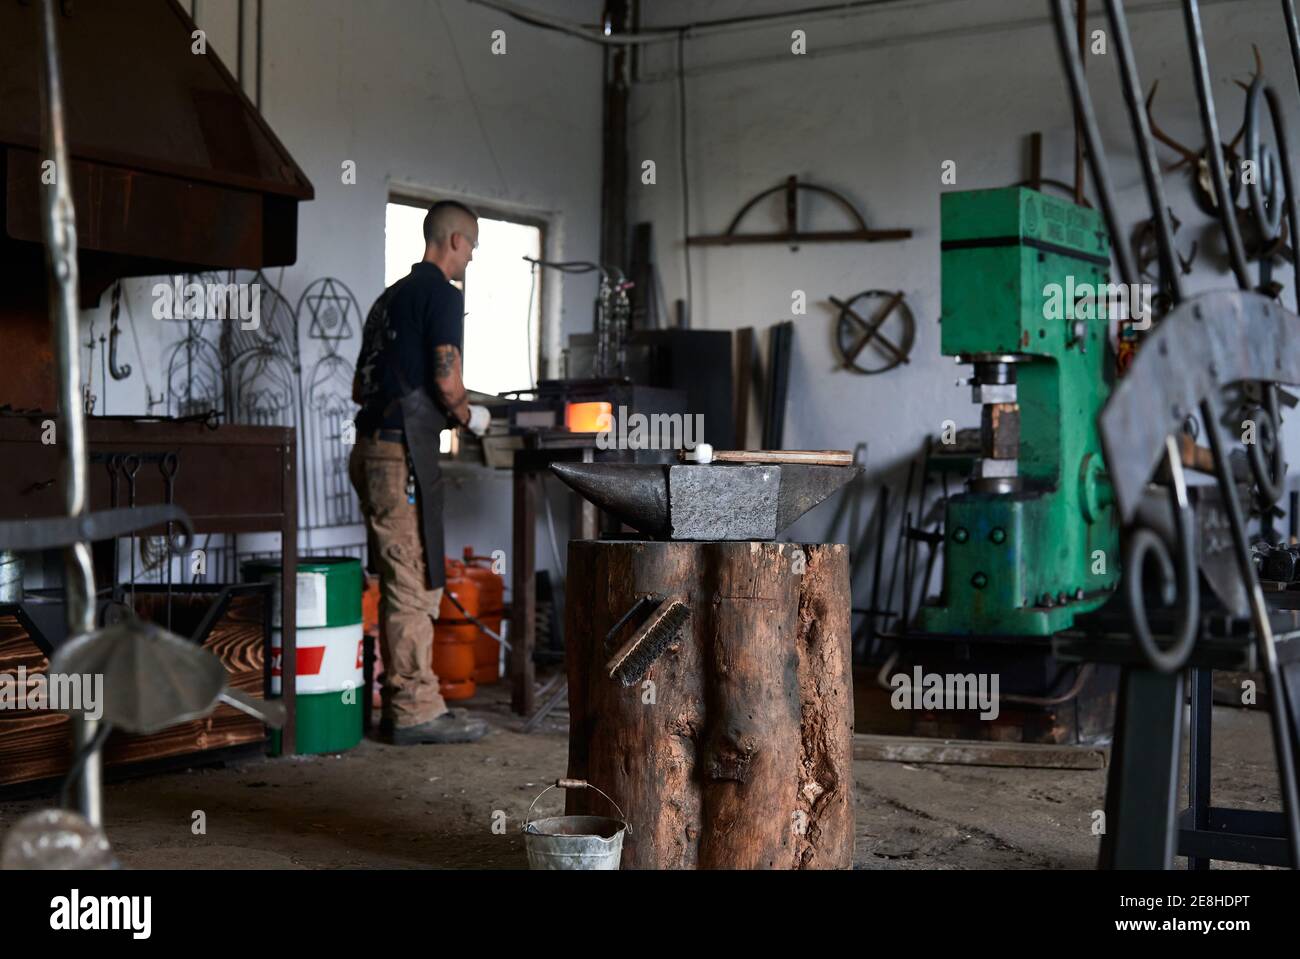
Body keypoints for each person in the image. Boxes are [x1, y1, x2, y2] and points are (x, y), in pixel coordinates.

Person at [349, 200, 492, 745]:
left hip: (371, 449)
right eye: (472, 246)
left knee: (398, 577)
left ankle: (411, 698)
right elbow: (447, 380)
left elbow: (360, 387)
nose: (472, 257)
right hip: (398, 454)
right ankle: (413, 709)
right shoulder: (441, 295)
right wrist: (468, 415)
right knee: (410, 582)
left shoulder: (388, 300)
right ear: (454, 240)